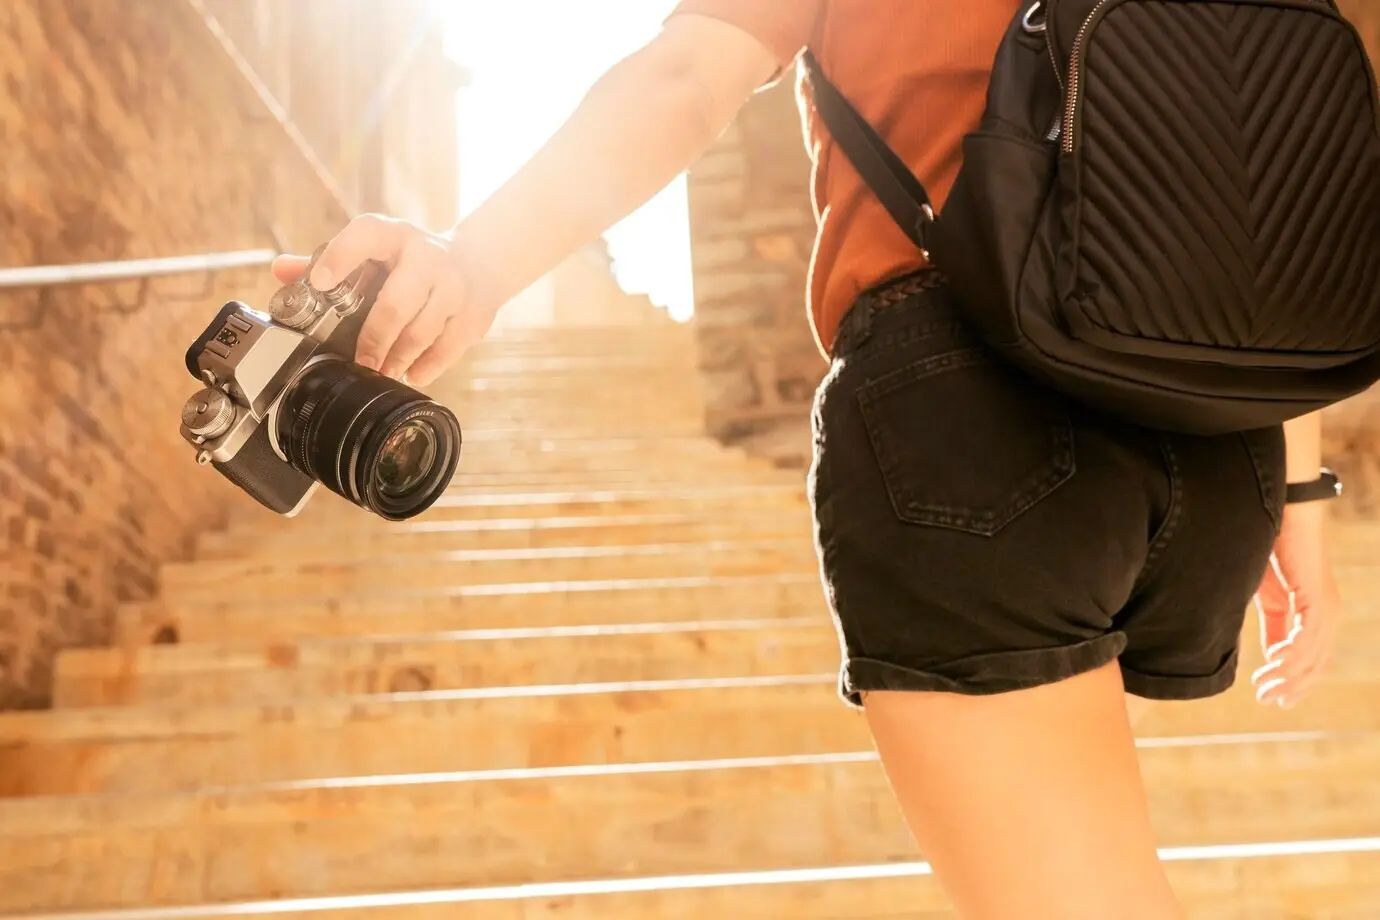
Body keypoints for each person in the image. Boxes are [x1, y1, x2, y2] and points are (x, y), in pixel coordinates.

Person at [271, 3, 1345, 917]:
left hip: (978, 416)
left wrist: (473, 262)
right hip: (1219, 434)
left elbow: (687, 78)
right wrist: (1299, 481)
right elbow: (1268, 174)